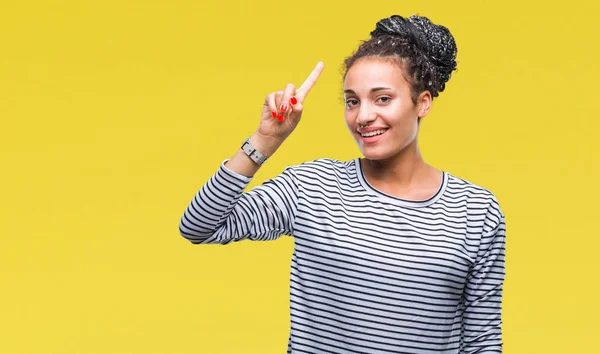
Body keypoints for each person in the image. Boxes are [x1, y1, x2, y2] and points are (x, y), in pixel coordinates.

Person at [179, 14, 506, 354]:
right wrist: (264, 140)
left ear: (422, 102)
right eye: (352, 101)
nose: (362, 116)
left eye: (382, 98)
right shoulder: (312, 187)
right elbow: (200, 226)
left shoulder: (475, 211)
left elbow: (482, 341)